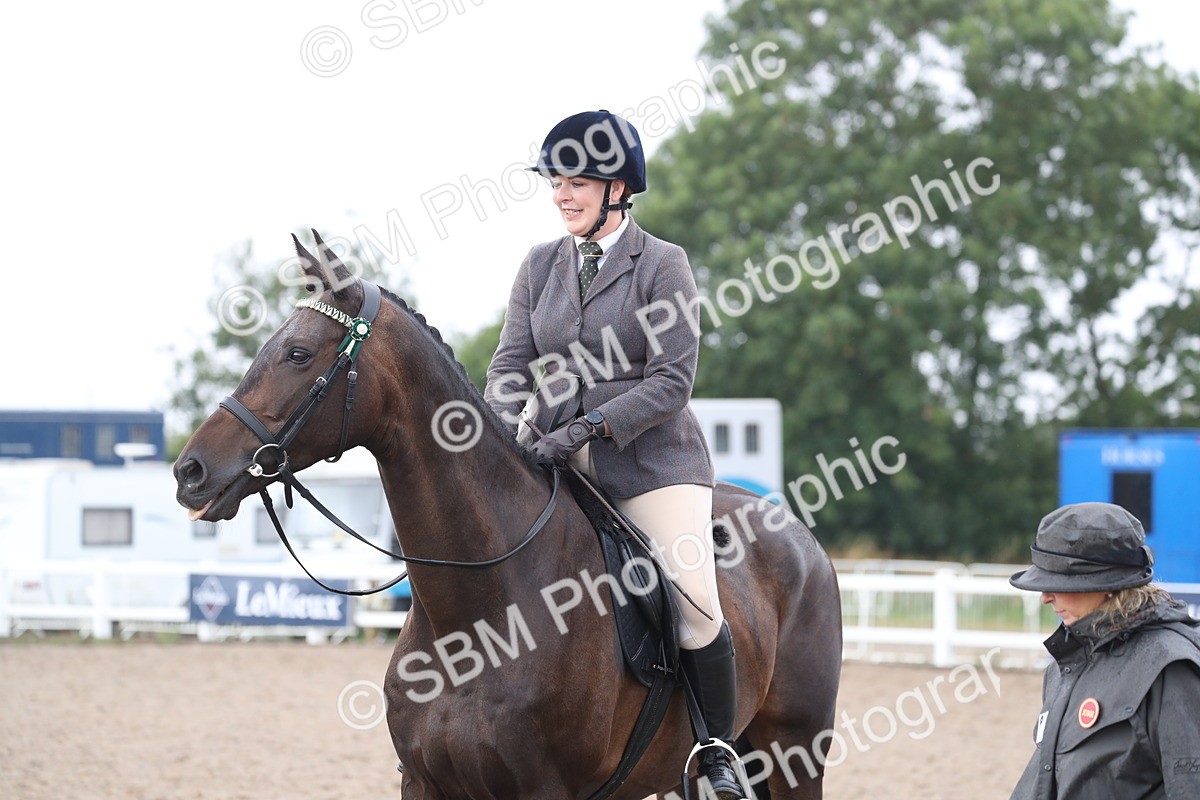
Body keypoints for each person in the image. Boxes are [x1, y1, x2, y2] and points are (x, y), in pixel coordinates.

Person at [483, 110, 746, 798]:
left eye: (576, 183)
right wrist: (500, 429)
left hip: (650, 463)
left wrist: (589, 427)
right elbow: (510, 365)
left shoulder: (661, 263)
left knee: (694, 599)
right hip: (549, 451)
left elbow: (671, 380)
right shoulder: (539, 265)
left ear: (617, 189)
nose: (561, 196)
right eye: (556, 183)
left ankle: (715, 750)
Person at [1008, 501, 1200, 799]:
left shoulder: (1170, 668)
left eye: (1058, 583)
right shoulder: (1065, 663)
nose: (1045, 597)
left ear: (1108, 584)